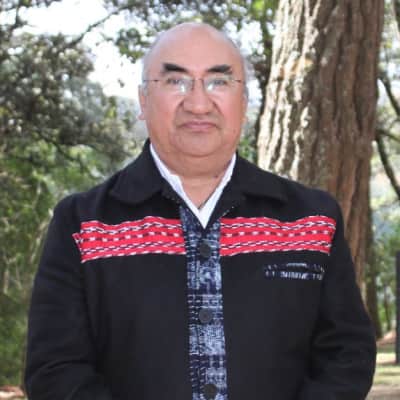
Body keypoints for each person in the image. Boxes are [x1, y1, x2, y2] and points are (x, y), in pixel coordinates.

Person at [25, 22, 376, 400]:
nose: (198, 103)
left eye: (218, 82)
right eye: (176, 81)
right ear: (143, 100)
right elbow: (55, 370)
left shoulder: (312, 220)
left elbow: (347, 355)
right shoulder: (82, 225)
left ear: (244, 102)